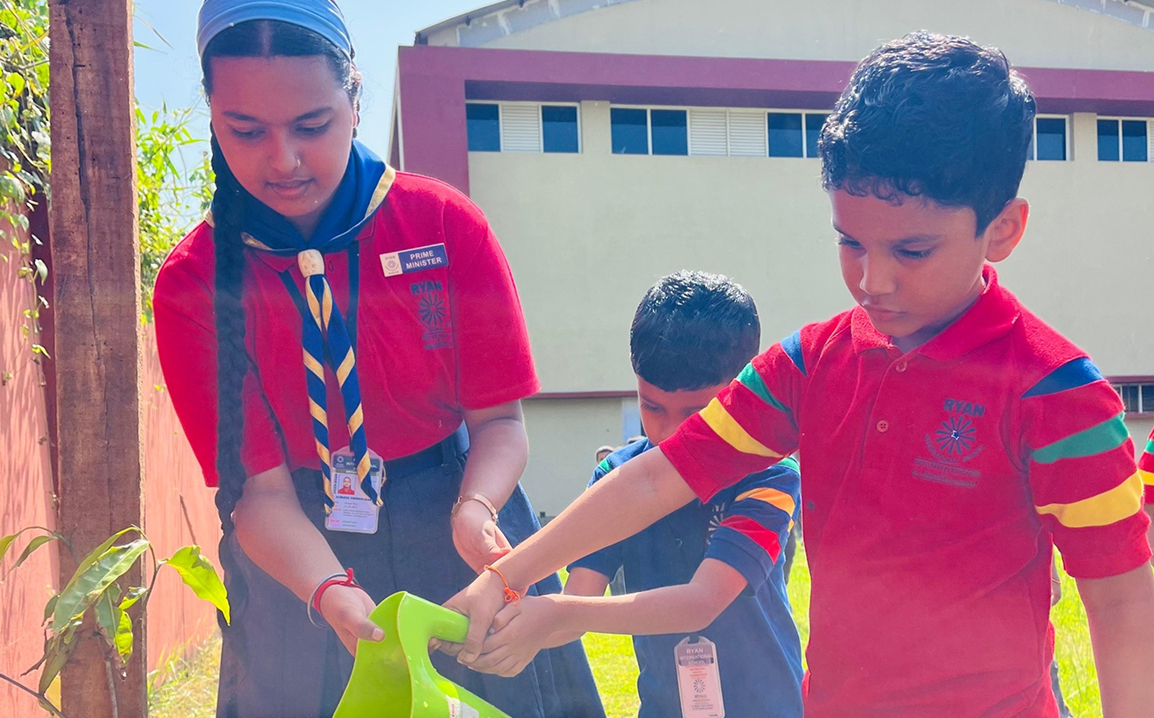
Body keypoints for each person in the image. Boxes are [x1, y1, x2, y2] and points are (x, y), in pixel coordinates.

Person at [444, 32, 1154, 718]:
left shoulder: (1059, 395)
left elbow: (1122, 603)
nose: (872, 281)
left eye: (912, 250)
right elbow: (660, 475)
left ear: (1003, 227)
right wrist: (506, 576)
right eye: (850, 242)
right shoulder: (811, 363)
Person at [153, 2, 604, 717]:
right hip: (296, 558)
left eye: (312, 125)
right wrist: (332, 593)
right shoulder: (193, 282)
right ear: (212, 113)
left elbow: (499, 423)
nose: (284, 160)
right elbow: (259, 496)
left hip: (455, 518)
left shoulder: (444, 224)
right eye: (246, 130)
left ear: (355, 100)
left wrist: (477, 508)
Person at [472, 271, 804, 718]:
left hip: (766, 707)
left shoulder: (769, 474)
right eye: (651, 407)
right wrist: (494, 623)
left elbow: (701, 602)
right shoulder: (617, 476)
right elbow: (581, 594)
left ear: (740, 390)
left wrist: (559, 614)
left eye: (696, 414)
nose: (669, 435)